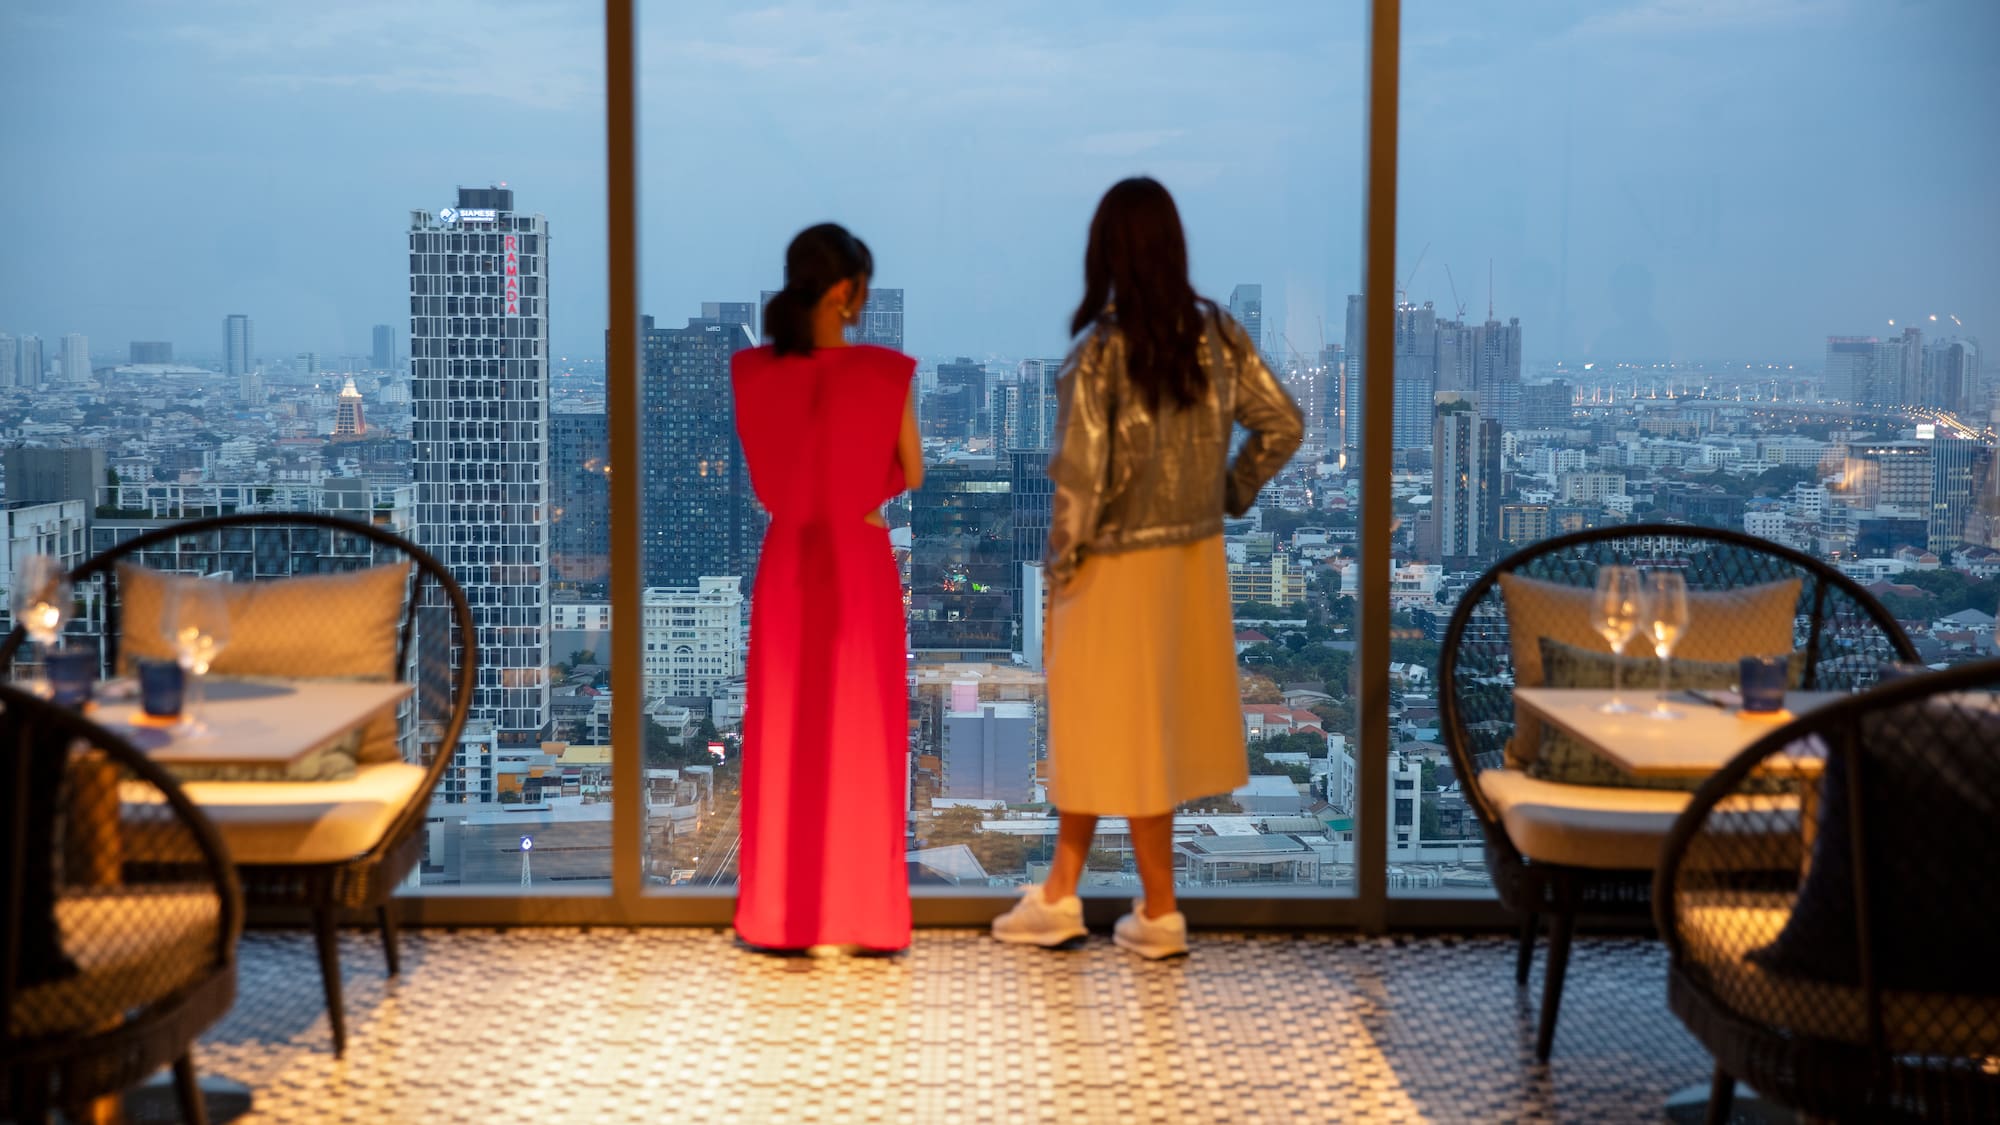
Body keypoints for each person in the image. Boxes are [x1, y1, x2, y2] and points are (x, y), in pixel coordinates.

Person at [991, 178, 1303, 959]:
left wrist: (1058, 573)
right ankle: (1145, 905)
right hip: (1191, 565)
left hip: (1112, 570)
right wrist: (1229, 490)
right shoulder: (1219, 336)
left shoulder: (1098, 354)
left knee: (1103, 728)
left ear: (1106, 252)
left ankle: (1082, 899)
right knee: (1147, 730)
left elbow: (1080, 486)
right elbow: (1284, 424)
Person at [732, 223, 923, 953]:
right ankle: (865, 918)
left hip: (787, 561)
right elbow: (914, 468)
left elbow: (766, 482)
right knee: (864, 735)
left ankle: (782, 915)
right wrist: (865, 492)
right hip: (860, 558)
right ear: (846, 290)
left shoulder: (754, 373)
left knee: (785, 735)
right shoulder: (885, 375)